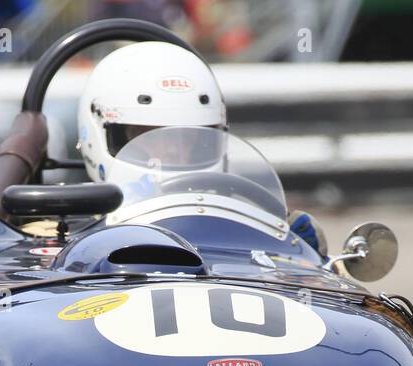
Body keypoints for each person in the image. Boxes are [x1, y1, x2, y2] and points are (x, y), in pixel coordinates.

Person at [76, 40, 327, 255]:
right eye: (149, 136)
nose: (176, 152)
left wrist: (299, 251)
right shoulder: (67, 229)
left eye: (191, 138)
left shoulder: (242, 220)